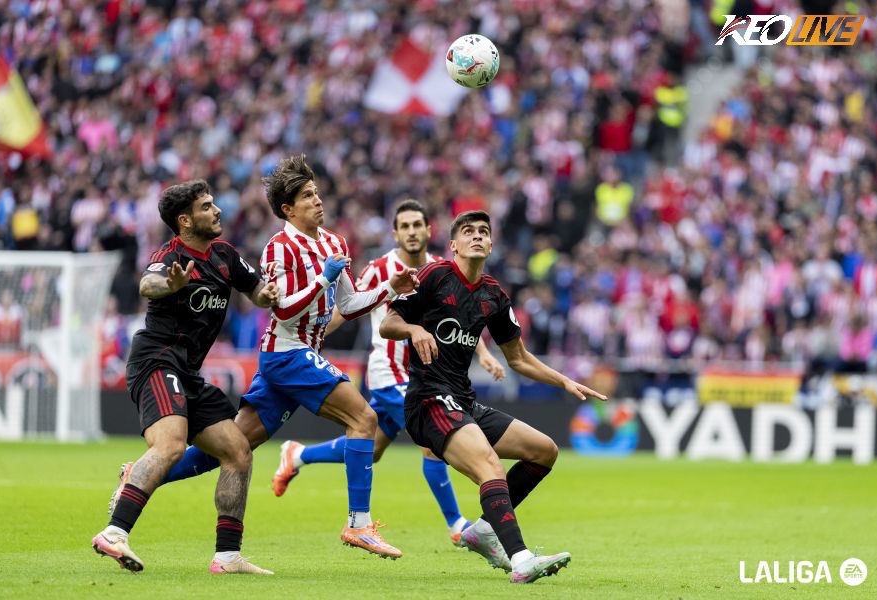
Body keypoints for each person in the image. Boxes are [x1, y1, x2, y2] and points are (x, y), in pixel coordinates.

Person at [116, 154, 417, 559]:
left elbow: (349, 302)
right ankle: (359, 525)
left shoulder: (334, 243)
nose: (318, 201)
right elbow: (284, 310)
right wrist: (323, 278)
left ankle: (134, 476)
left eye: (317, 193)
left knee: (233, 447)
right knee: (364, 419)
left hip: (300, 355)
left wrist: (390, 289)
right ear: (288, 209)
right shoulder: (279, 248)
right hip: (286, 353)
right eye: (307, 196)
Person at [379, 210, 608, 584]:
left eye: (483, 232)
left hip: (464, 402)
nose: (477, 236)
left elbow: (517, 357)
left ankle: (484, 529)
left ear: (491, 243)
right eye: (468, 232)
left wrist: (564, 381)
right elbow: (389, 322)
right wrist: (414, 329)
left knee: (544, 450)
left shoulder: (493, 295)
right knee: (490, 465)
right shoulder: (434, 275)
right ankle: (520, 559)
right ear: (453, 244)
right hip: (428, 400)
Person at [272, 200, 506, 545]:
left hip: (426, 373)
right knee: (434, 443)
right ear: (395, 233)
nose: (412, 232)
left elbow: (462, 317)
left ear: (429, 231)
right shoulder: (379, 269)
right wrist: (313, 340)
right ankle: (457, 524)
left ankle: (299, 454)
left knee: (371, 448)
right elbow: (347, 309)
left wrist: (483, 352)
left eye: (417, 225)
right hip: (390, 374)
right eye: (405, 226)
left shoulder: (443, 270)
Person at [92, 179, 279, 575]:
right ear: (185, 220)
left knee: (238, 452)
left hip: (188, 373)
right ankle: (114, 532)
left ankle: (227, 557)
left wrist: (269, 295)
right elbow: (149, 283)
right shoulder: (170, 255)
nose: (218, 211)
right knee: (170, 447)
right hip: (156, 362)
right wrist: (170, 284)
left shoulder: (225, 255)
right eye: (207, 206)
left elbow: (257, 291)